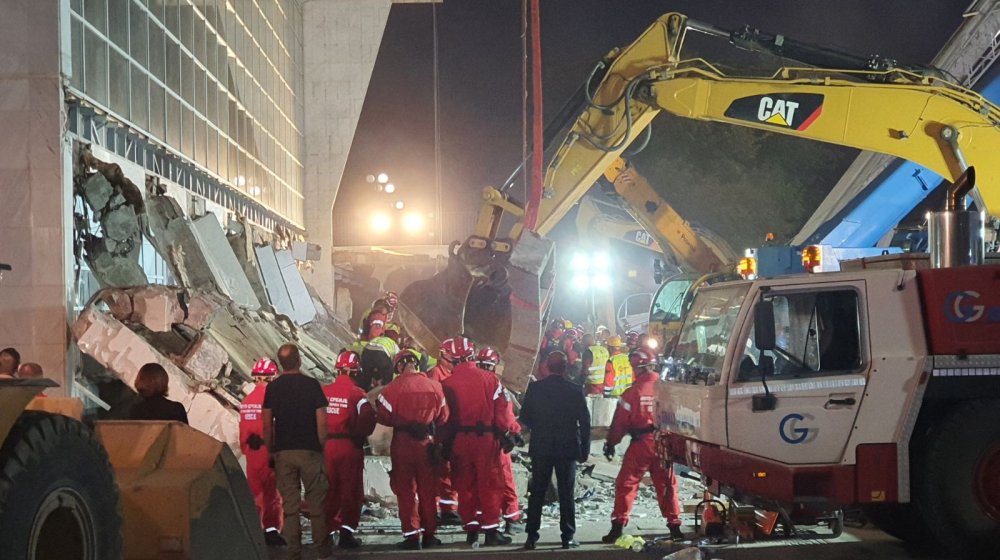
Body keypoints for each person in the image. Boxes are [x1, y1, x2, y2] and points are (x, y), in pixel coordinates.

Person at [601, 348, 684, 543]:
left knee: (627, 483)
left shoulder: (632, 392)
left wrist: (611, 443)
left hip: (641, 444)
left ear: (638, 368)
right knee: (667, 485)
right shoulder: (667, 390)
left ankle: (617, 526)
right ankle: (675, 526)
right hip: (664, 442)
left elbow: (620, 422)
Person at [441, 336, 517, 547]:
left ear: (453, 359)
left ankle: (471, 530)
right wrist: (508, 433)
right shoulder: (490, 379)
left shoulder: (446, 383)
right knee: (490, 484)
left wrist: (444, 443)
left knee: (465, 486)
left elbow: (444, 418)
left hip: (459, 441)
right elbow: (502, 411)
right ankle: (491, 531)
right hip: (486, 440)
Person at [262, 344, 332, 560]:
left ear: (280, 363)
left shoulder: (272, 388)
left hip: (283, 452)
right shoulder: (312, 385)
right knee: (317, 506)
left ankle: (294, 554)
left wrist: (270, 451)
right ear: (299, 360)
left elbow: (266, 424)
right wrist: (321, 447)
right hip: (310, 451)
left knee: (290, 507)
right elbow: (322, 421)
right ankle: (323, 553)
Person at [375, 349, 449, 550]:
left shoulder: (390, 390)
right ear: (417, 364)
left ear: (398, 366)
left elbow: (383, 417)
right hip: (427, 442)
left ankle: (412, 536)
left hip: (403, 443)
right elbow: (443, 417)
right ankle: (430, 535)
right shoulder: (435, 387)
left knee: (406, 491)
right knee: (428, 489)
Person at [518, 351, 591, 550]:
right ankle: (567, 536)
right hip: (566, 448)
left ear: (547, 367)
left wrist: (540, 427)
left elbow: (525, 417)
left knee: (538, 493)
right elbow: (585, 422)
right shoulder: (575, 390)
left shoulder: (535, 389)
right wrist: (584, 450)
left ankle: (531, 537)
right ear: (565, 367)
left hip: (541, 446)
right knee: (566, 493)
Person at [322, 350, 376, 549]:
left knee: (328, 489)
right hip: (349, 446)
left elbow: (314, 417)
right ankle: (346, 533)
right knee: (350, 490)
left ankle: (327, 531)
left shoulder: (323, 392)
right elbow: (368, 419)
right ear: (355, 372)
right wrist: (359, 435)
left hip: (326, 446)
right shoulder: (357, 395)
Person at [476, 346, 524, 533]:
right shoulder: (497, 386)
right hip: (496, 440)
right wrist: (515, 431)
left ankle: (481, 519)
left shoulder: (472, 385)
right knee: (505, 480)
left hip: (474, 440)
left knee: (479, 481)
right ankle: (511, 519)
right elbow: (506, 414)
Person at [240, 358, 285, 546]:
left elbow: (243, 432)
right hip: (271, 452)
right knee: (273, 493)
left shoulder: (247, 400)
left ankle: (256, 531)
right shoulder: (276, 400)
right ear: (273, 377)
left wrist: (247, 450)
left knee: (255, 492)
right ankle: (272, 530)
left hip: (253, 454)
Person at [425, 338, 462, 525]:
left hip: (454, 427)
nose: (455, 363)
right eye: (452, 359)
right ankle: (440, 510)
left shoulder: (453, 373)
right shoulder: (435, 374)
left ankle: (449, 508)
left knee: (450, 471)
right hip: (440, 428)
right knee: (439, 470)